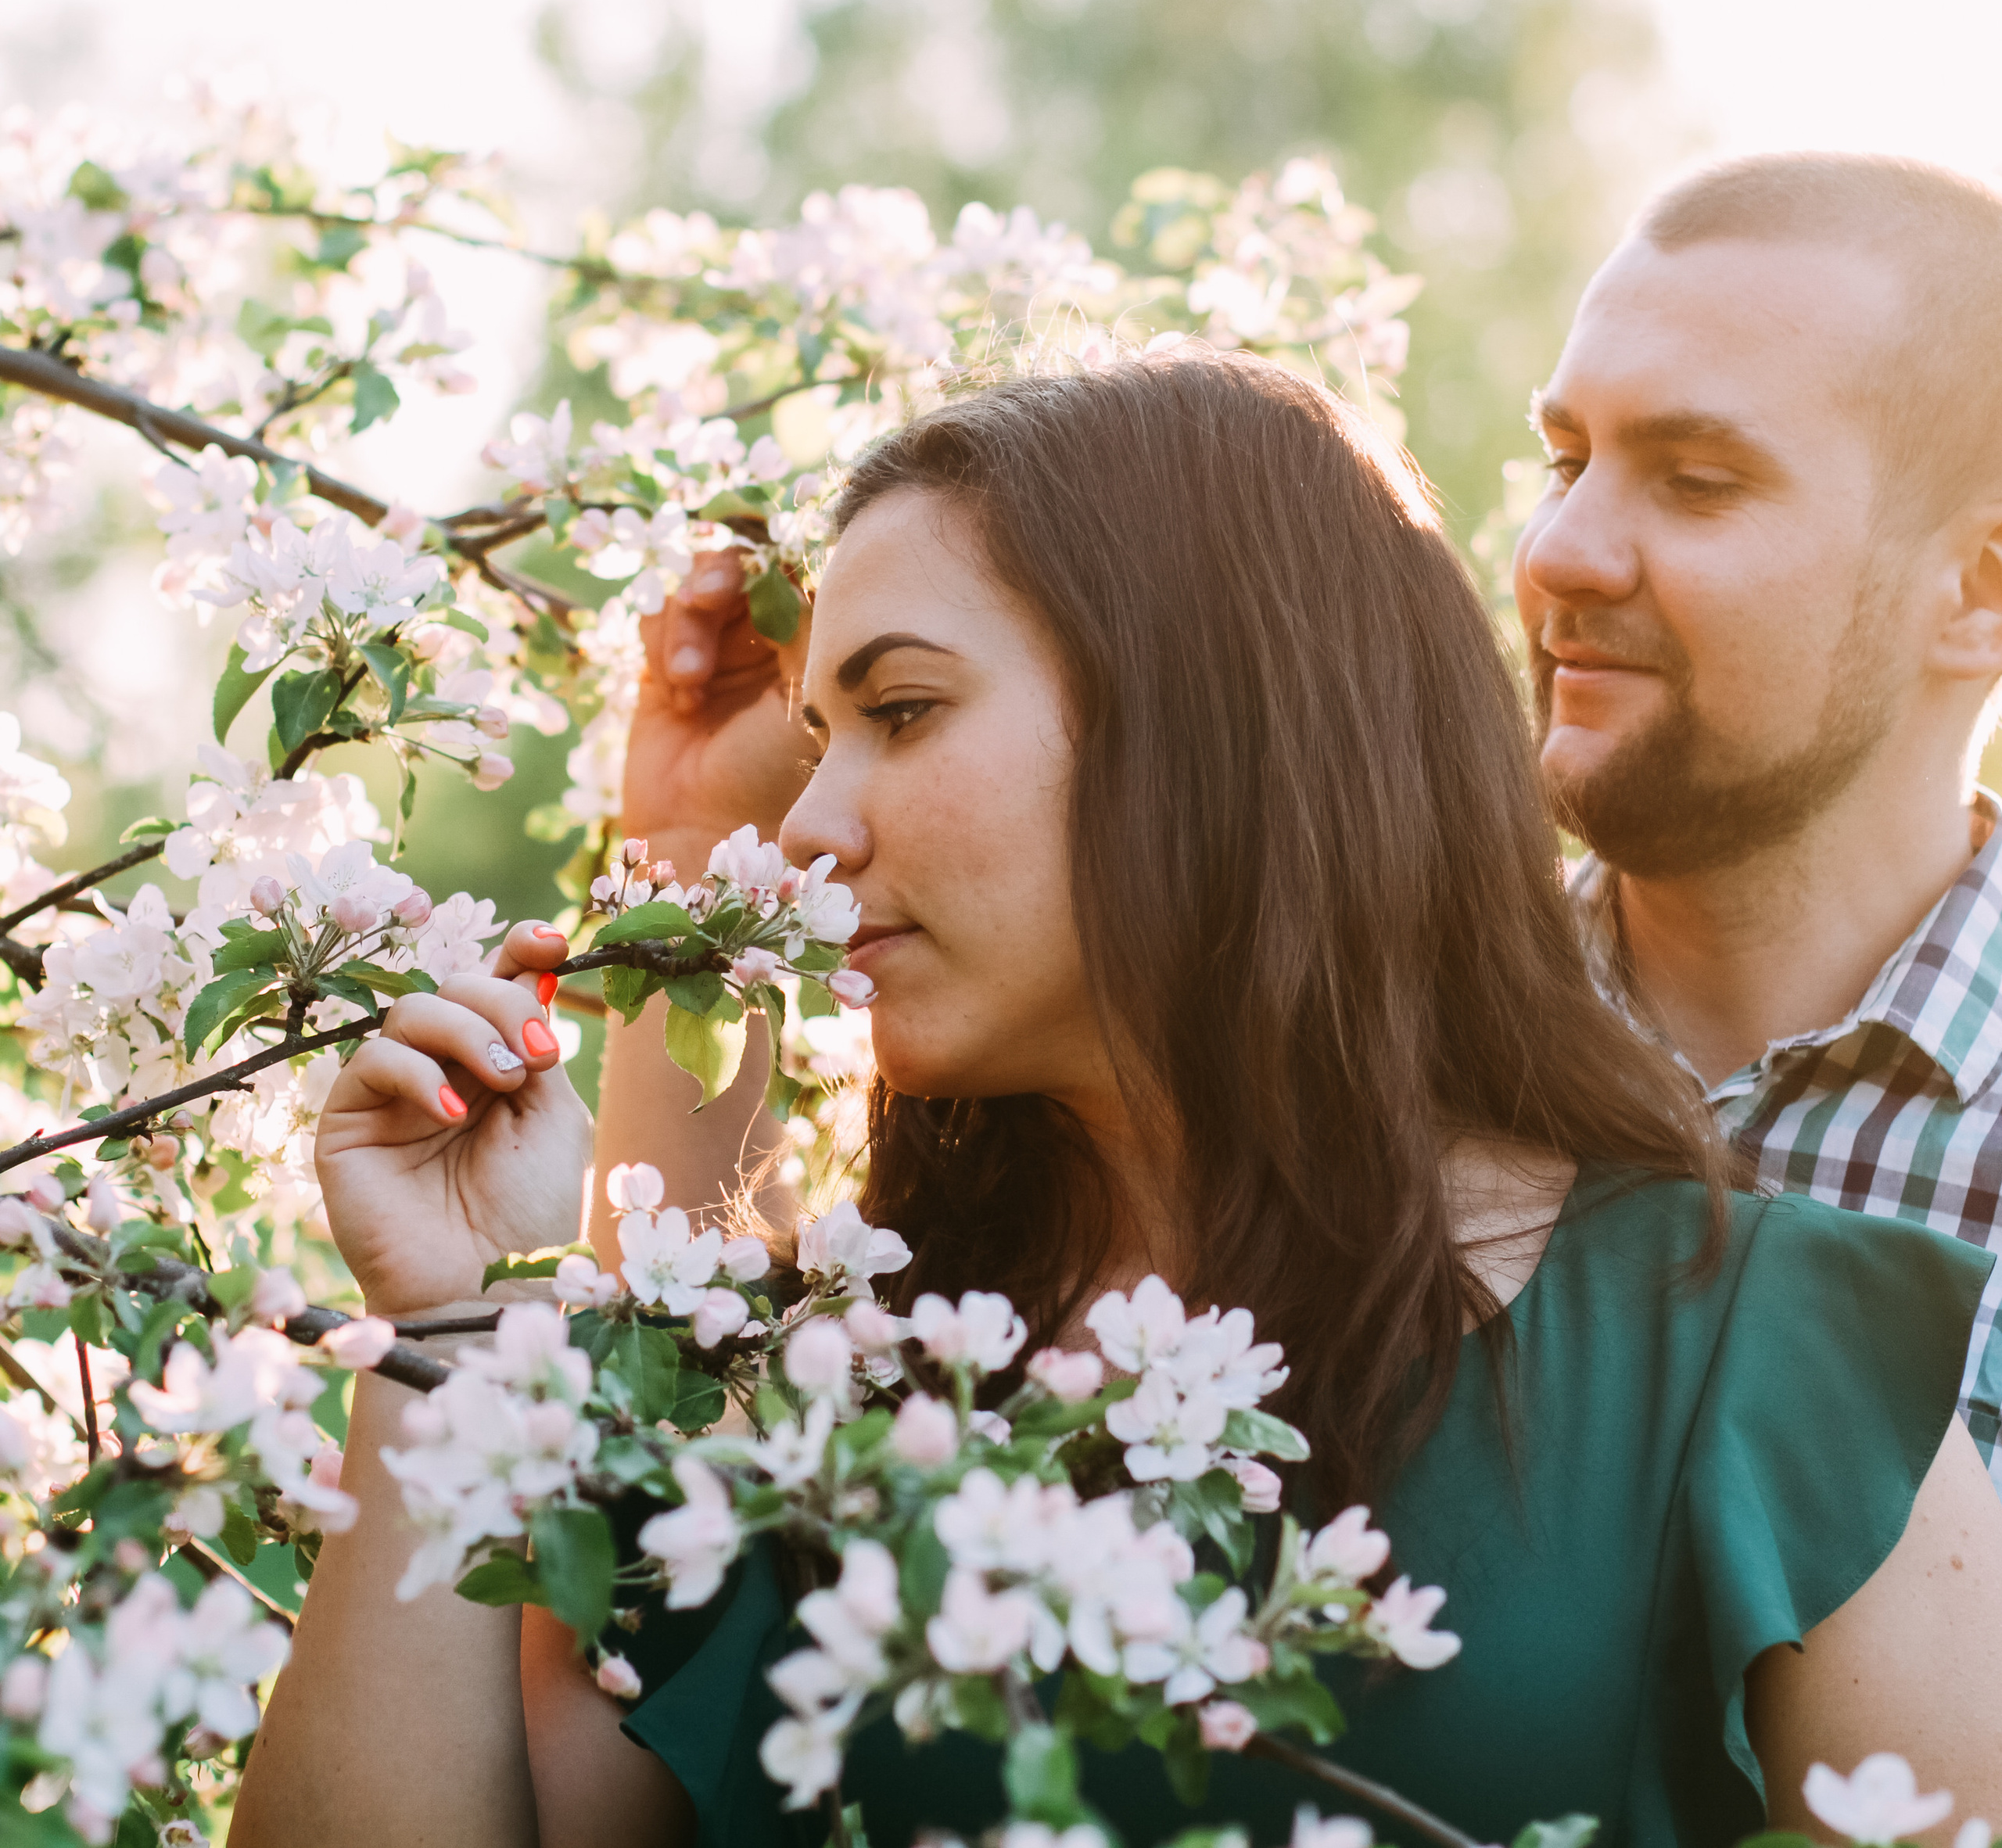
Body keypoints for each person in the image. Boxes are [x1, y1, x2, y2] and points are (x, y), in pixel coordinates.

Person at [235, 351, 2002, 1848]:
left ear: (1217, 718)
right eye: (811, 738)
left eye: (902, 711)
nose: (810, 829)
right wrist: (453, 1335)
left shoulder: (1760, 1356)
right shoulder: (816, 1397)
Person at [1515, 153, 2002, 1486]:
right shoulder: (1399, 1041)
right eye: (1566, 459)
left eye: (1698, 479)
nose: (1558, 552)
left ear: (1979, 590)